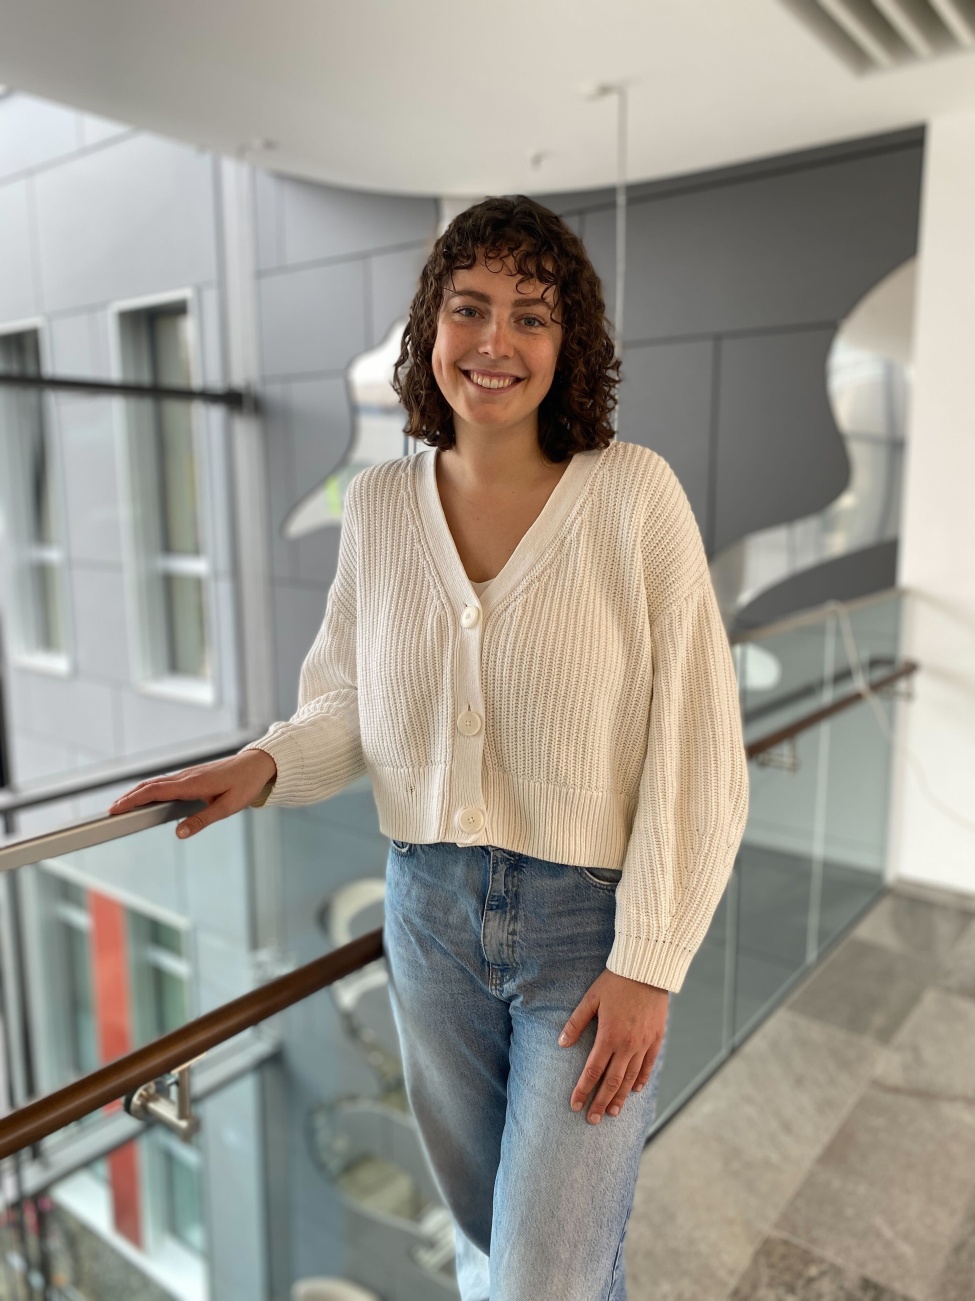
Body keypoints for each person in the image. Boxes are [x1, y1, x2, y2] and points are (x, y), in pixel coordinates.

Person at [109, 195, 749, 1301]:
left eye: (531, 316)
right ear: (430, 327)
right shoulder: (378, 506)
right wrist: (262, 764)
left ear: (568, 343)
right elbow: (351, 700)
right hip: (427, 919)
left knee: (546, 1273)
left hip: (589, 933)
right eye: (470, 308)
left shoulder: (632, 495)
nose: (495, 341)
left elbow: (699, 738)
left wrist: (651, 957)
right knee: (491, 1240)